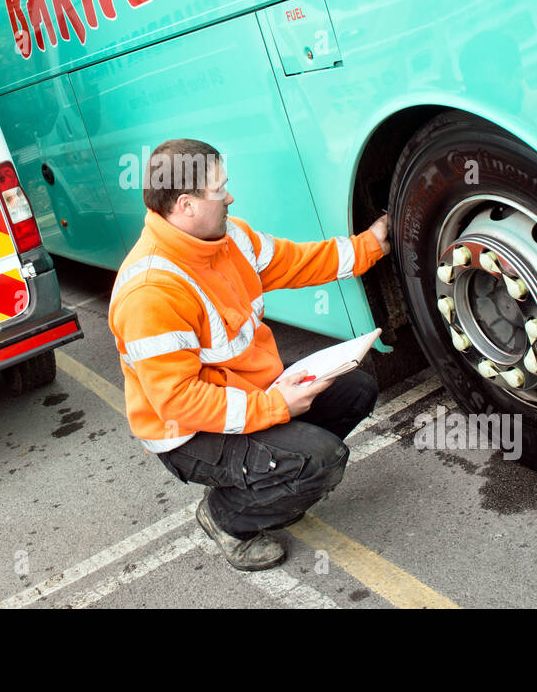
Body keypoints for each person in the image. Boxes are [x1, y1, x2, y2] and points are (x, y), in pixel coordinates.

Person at [108, 139, 391, 570]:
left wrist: (369, 245)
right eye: (219, 189)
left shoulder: (227, 238)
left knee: (355, 388)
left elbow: (298, 262)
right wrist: (275, 407)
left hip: (247, 394)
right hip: (189, 434)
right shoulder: (151, 292)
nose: (230, 197)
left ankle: (273, 476)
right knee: (321, 461)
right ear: (186, 205)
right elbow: (180, 401)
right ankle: (227, 517)